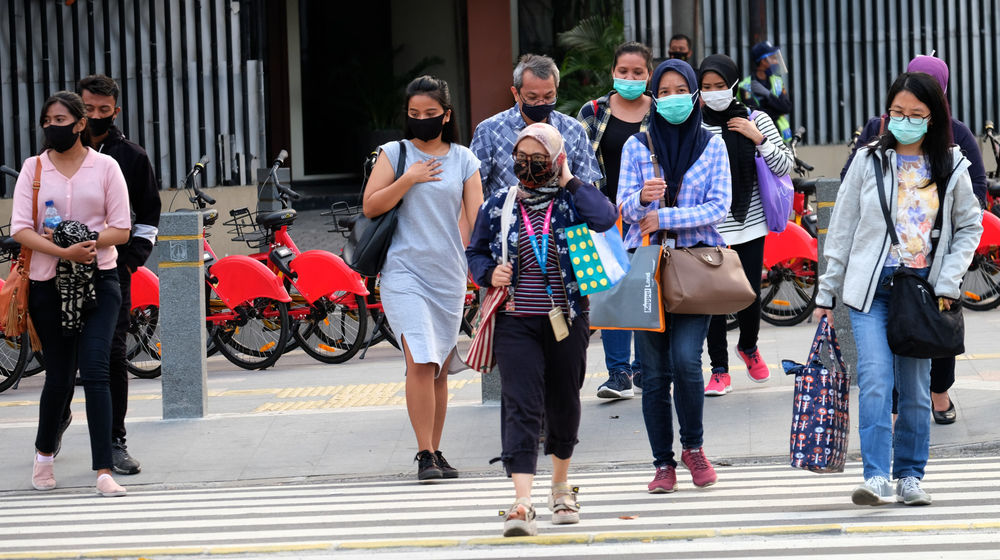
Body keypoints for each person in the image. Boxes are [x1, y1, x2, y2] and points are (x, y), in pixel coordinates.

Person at [815, 72, 982, 507]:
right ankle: (875, 476)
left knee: (914, 388)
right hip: (872, 292)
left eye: (915, 115)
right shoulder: (869, 160)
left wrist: (948, 281)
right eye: (897, 113)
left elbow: (970, 226)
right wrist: (825, 292)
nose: (904, 121)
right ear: (886, 113)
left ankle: (909, 475)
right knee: (874, 379)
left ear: (934, 116)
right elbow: (843, 227)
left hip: (922, 293)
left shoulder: (952, 164)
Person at [466, 122, 617, 536]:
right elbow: (475, 252)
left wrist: (569, 179)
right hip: (516, 321)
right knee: (521, 403)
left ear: (556, 160)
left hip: (568, 319)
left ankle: (561, 486)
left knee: (564, 400)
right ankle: (521, 502)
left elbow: (606, 217)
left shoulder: (572, 203)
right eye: (521, 159)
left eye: (539, 159)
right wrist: (487, 272)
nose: (528, 166)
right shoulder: (500, 204)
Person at [840, 55, 988, 426]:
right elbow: (850, 184)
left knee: (934, 339)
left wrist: (949, 242)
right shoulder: (877, 132)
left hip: (931, 266)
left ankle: (938, 395)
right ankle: (887, 430)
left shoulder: (957, 136)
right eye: (898, 109)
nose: (906, 117)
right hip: (880, 271)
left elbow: (976, 194)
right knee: (878, 365)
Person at [617, 59, 732, 493]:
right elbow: (623, 209)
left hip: (695, 267)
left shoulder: (712, 145)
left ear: (694, 94)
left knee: (686, 360)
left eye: (678, 89)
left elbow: (718, 207)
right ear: (653, 97)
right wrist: (639, 200)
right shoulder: (636, 146)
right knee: (653, 369)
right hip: (646, 267)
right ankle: (663, 463)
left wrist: (663, 214)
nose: (671, 99)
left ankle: (694, 448)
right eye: (662, 92)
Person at [362, 76, 483, 483]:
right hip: (403, 272)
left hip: (448, 275)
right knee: (421, 359)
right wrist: (408, 178)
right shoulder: (393, 153)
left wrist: (481, 269)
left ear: (446, 115)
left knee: (439, 367)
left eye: (430, 115)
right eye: (415, 115)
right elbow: (371, 205)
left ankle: (436, 449)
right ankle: (423, 453)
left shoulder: (465, 159)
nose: (422, 121)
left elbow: (474, 219)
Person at [11, 91, 132, 496]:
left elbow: (122, 227)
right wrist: (63, 250)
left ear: (80, 124)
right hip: (48, 284)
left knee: (96, 370)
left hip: (100, 280)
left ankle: (103, 470)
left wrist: (88, 241)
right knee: (60, 376)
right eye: (47, 120)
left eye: (61, 120)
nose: (52, 127)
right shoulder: (34, 168)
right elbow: (20, 229)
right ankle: (44, 454)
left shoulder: (106, 167)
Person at [47, 75, 161, 475]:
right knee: (61, 354)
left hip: (111, 272)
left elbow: (147, 218)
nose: (95, 116)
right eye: (88, 109)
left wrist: (130, 260)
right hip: (55, 273)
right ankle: (56, 422)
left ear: (116, 110)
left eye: (103, 110)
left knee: (110, 355)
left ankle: (114, 441)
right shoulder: (47, 157)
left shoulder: (130, 157)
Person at [699, 54, 794, 396]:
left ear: (733, 84)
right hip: (708, 226)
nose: (713, 93)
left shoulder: (757, 119)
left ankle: (749, 346)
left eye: (720, 86)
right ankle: (719, 369)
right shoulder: (695, 123)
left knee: (749, 294)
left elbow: (784, 167)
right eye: (706, 87)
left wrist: (758, 138)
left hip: (749, 223)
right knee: (712, 301)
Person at [577, 41, 654, 400]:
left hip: (648, 215)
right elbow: (575, 160)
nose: (630, 78)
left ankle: (643, 369)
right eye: (623, 71)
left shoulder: (660, 112)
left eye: (638, 72)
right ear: (612, 73)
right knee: (608, 292)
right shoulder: (592, 112)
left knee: (645, 291)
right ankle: (618, 373)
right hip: (602, 217)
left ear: (648, 74)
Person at [470, 54, 601, 195]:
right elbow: (472, 189)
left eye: (548, 96)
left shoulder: (573, 130)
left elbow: (587, 189)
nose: (541, 103)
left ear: (556, 91)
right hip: (507, 214)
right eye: (532, 97)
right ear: (515, 93)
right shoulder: (489, 131)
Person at [738, 41, 792, 144]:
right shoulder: (746, 86)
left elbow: (787, 107)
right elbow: (756, 114)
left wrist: (767, 95)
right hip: (760, 140)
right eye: (773, 58)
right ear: (763, 61)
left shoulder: (777, 81)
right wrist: (777, 108)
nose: (776, 61)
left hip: (780, 138)